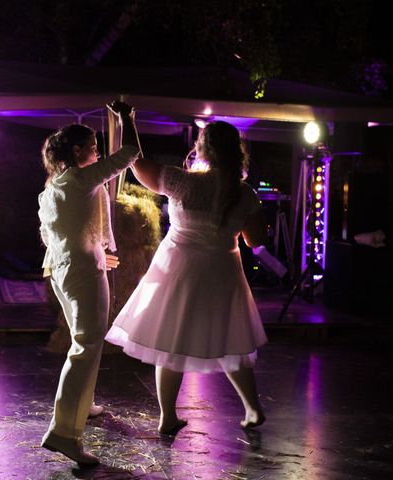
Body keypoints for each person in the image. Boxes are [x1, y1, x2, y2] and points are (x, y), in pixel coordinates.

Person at [105, 121, 268, 435]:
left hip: (181, 268)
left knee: (171, 340)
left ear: (203, 148)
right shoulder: (244, 193)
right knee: (230, 339)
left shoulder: (182, 182)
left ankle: (168, 416)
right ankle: (253, 407)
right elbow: (255, 240)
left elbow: (135, 161)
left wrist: (128, 121)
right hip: (222, 271)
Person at [38, 101, 140, 466]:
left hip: (63, 270)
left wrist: (95, 249)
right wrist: (126, 119)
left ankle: (86, 403)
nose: (98, 152)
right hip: (81, 271)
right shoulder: (82, 178)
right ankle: (63, 432)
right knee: (85, 345)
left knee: (88, 340)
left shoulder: (53, 187)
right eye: (94, 146)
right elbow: (130, 154)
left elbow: (52, 235)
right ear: (78, 151)